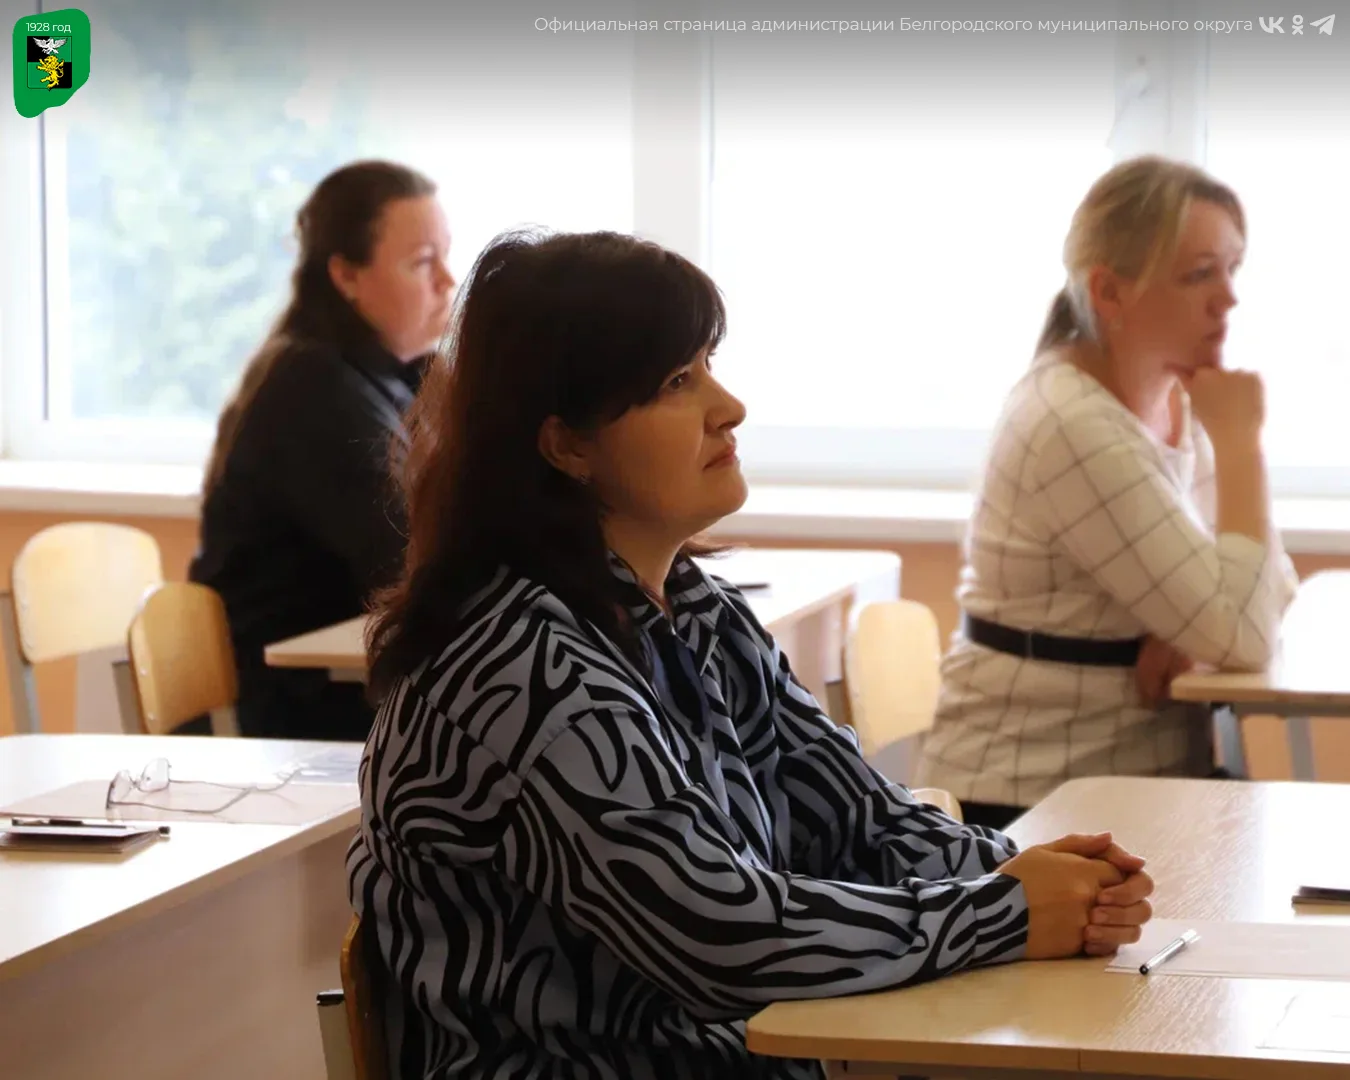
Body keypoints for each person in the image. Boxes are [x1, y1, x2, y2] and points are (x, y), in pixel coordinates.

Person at [346, 229, 1155, 1080]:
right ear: (567, 445)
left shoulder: (697, 611)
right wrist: (1005, 913)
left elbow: (859, 822)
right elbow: (720, 933)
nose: (727, 406)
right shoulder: (517, 669)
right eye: (676, 382)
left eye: (709, 365)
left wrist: (1050, 880)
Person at [916, 155, 1299, 831]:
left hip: (1132, 786)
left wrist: (1191, 636)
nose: (1228, 299)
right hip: (1033, 804)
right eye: (1199, 274)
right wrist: (1243, 444)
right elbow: (1246, 629)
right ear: (1110, 293)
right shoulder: (1072, 423)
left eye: (1232, 269)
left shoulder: (1176, 398)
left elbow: (1269, 590)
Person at [189, 160, 456, 741]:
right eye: (421, 262)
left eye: (445, 256)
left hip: (338, 686)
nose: (447, 281)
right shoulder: (315, 387)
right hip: (285, 707)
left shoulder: (398, 374)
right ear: (346, 275)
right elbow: (410, 560)